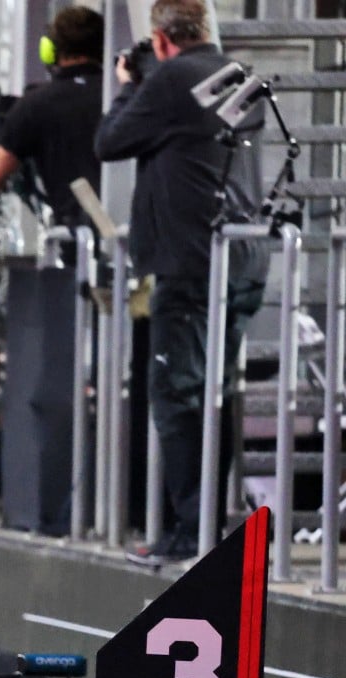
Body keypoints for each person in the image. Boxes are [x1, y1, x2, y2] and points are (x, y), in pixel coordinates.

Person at [97, 0, 267, 561]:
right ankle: (206, 525)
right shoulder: (235, 75)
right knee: (212, 395)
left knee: (176, 397)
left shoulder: (170, 80)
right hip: (238, 261)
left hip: (188, 265)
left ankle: (189, 533)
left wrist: (129, 84)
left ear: (163, 39)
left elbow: (110, 142)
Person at [0, 7, 106, 537]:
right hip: (122, 247)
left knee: (58, 376)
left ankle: (56, 506)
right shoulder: (120, 100)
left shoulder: (38, 105)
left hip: (67, 255)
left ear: (51, 51)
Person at [0, 5, 105, 229]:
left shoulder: (34, 104)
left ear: (49, 50)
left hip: (76, 238)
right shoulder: (122, 94)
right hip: (131, 234)